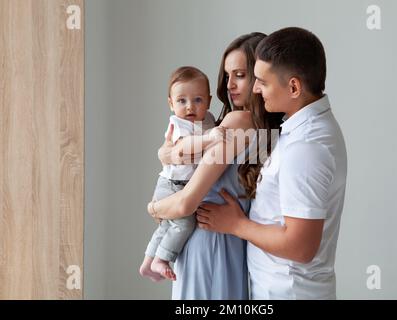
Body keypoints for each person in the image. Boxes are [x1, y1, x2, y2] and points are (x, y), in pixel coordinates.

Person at [196, 27, 348, 300]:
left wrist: (235, 225)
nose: (255, 88)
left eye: (262, 82)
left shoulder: (306, 146)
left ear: (293, 87)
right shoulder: (296, 130)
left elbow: (300, 246)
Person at [147, 32, 284, 299]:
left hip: (208, 239)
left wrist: (153, 207)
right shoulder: (270, 130)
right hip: (234, 244)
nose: (230, 84)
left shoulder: (235, 122)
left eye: (240, 75)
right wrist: (169, 153)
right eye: (227, 75)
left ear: (259, 75)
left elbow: (186, 203)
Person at [139, 66, 226, 281]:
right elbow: (184, 146)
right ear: (171, 103)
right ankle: (162, 259)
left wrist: (210, 132)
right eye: (181, 101)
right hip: (172, 185)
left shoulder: (208, 120)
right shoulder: (178, 124)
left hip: (180, 184)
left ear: (208, 100)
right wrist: (210, 138)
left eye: (198, 100)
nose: (190, 107)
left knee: (169, 224)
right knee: (184, 223)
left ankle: (148, 261)